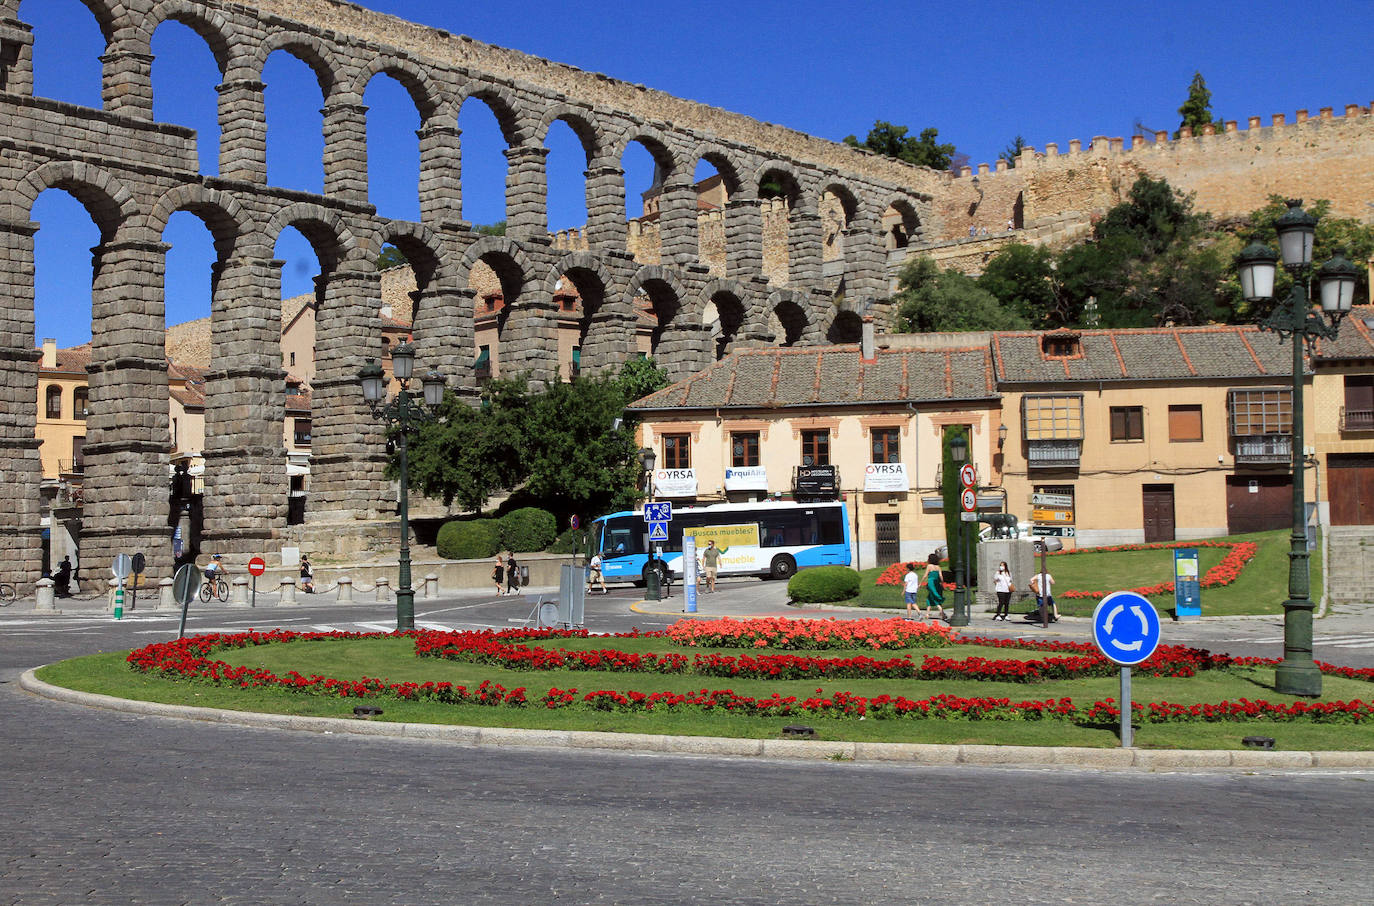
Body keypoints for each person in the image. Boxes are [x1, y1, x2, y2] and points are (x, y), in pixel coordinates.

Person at [923, 552, 948, 622]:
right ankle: (927, 614)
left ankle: (942, 612)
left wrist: (920, 583)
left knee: (934, 598)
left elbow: (925, 575)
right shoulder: (938, 567)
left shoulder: (929, 566)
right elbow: (941, 576)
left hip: (931, 583)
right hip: (937, 583)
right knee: (930, 597)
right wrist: (942, 583)